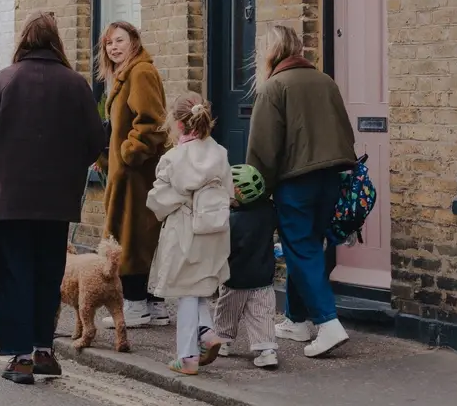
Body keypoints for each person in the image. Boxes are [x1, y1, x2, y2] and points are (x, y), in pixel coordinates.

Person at [0, 11, 106, 385]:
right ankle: (45, 351)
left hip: (12, 200)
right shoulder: (76, 84)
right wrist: (67, 165)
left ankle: (20, 358)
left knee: (16, 273)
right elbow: (96, 141)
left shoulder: (6, 79)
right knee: (49, 273)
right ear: (56, 42)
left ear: (24, 41)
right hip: (57, 200)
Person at [247, 24, 357, 359]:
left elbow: (263, 150)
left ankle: (328, 323)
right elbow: (345, 132)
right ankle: (296, 319)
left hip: (296, 182)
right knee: (308, 246)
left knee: (301, 247)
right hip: (332, 177)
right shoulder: (325, 81)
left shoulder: (273, 88)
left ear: (270, 51)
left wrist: (254, 189)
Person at [147, 95, 232, 375]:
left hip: (183, 232)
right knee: (199, 286)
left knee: (184, 292)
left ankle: (187, 357)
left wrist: (180, 197)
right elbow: (229, 192)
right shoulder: (220, 152)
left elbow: (157, 200)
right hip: (214, 229)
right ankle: (207, 332)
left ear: (179, 125)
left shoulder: (173, 158)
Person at [98, 21, 169, 329]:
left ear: (135, 41)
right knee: (142, 236)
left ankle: (137, 305)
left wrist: (129, 154)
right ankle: (155, 307)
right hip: (131, 173)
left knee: (134, 237)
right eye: (108, 43)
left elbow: (152, 122)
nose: (113, 47)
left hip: (137, 174)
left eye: (119, 41)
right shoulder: (127, 73)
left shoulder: (140, 72)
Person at [214, 164, 279, 370]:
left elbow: (223, 250)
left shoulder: (231, 222)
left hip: (234, 278)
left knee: (227, 312)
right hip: (263, 277)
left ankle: (222, 342)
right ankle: (266, 350)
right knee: (262, 314)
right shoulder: (269, 212)